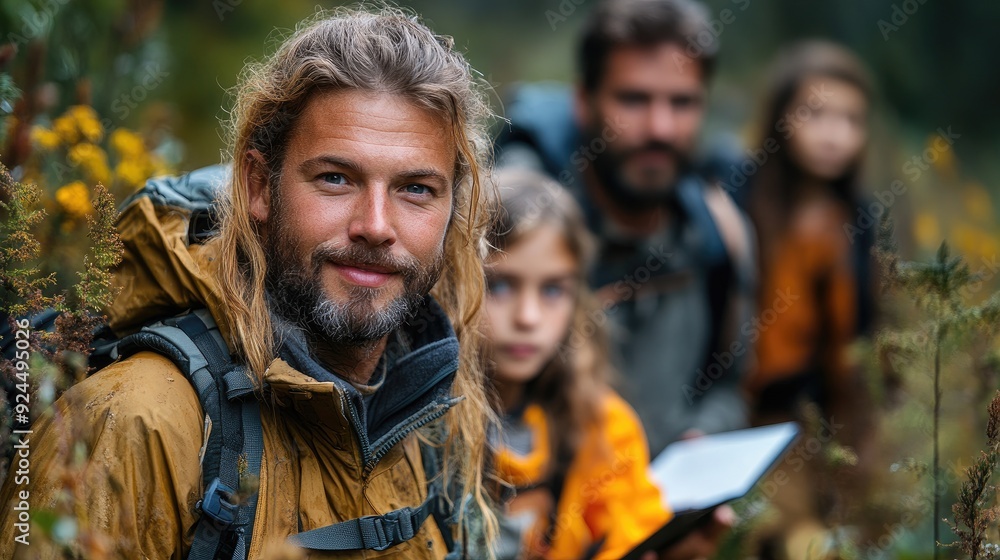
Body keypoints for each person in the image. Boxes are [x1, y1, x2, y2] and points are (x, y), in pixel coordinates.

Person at [0, 8, 498, 558]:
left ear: (453, 207)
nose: (376, 226)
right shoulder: (135, 423)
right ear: (259, 186)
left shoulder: (431, 419)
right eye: (336, 178)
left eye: (417, 189)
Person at [497, 0, 756, 454]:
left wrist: (703, 437)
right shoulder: (510, 224)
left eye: (682, 102)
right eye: (634, 100)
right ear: (583, 102)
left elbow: (729, 386)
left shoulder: (718, 233)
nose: (660, 128)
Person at [482, 168, 731, 560]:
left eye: (552, 290)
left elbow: (631, 530)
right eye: (498, 285)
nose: (528, 317)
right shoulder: (414, 425)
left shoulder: (601, 429)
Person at [739, 41, 877, 559]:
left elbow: (859, 337)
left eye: (851, 119)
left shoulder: (856, 219)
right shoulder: (743, 202)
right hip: (747, 412)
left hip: (822, 417)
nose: (834, 134)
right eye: (815, 114)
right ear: (780, 119)